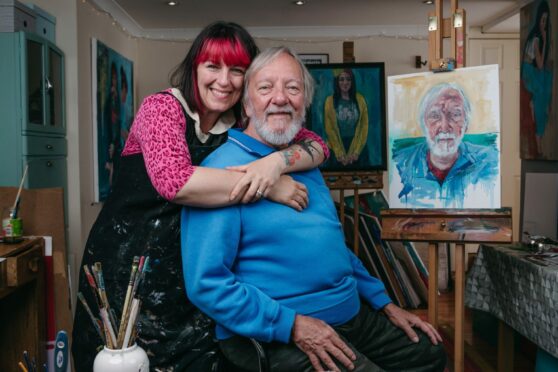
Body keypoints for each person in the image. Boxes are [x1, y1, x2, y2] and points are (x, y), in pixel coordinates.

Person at [72, 22, 329, 371]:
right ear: (195, 67)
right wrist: (270, 184)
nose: (224, 80)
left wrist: (274, 164)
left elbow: (317, 145)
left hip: (186, 277)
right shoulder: (161, 109)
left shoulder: (237, 123)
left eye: (237, 70)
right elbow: (175, 182)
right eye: (213, 66)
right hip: (127, 274)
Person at [182, 46, 446, 372]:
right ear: (246, 104)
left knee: (429, 353)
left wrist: (383, 302)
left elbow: (333, 248)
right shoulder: (221, 171)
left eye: (292, 88)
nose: (280, 98)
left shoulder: (305, 161)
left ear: (304, 103)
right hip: (276, 331)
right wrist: (292, 325)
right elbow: (207, 283)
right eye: (265, 88)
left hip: (350, 314)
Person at [392, 82, 499, 208]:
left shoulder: (489, 161)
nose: (444, 127)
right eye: (435, 116)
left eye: (455, 115)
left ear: (466, 124)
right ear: (423, 124)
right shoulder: (399, 165)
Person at [520, 0, 553, 158]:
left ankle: (540, 107)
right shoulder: (536, 39)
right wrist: (545, 39)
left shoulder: (536, 37)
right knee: (544, 86)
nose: (544, 24)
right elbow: (539, 64)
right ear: (538, 19)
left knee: (548, 77)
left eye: (546, 21)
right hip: (529, 73)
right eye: (542, 20)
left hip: (530, 70)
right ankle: (539, 143)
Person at [324, 68, 369, 168]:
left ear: (352, 81)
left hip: (358, 147)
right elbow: (330, 129)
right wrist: (339, 153)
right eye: (342, 79)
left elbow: (364, 126)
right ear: (337, 82)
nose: (345, 82)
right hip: (335, 148)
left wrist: (356, 152)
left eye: (348, 79)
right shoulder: (329, 101)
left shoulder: (360, 100)